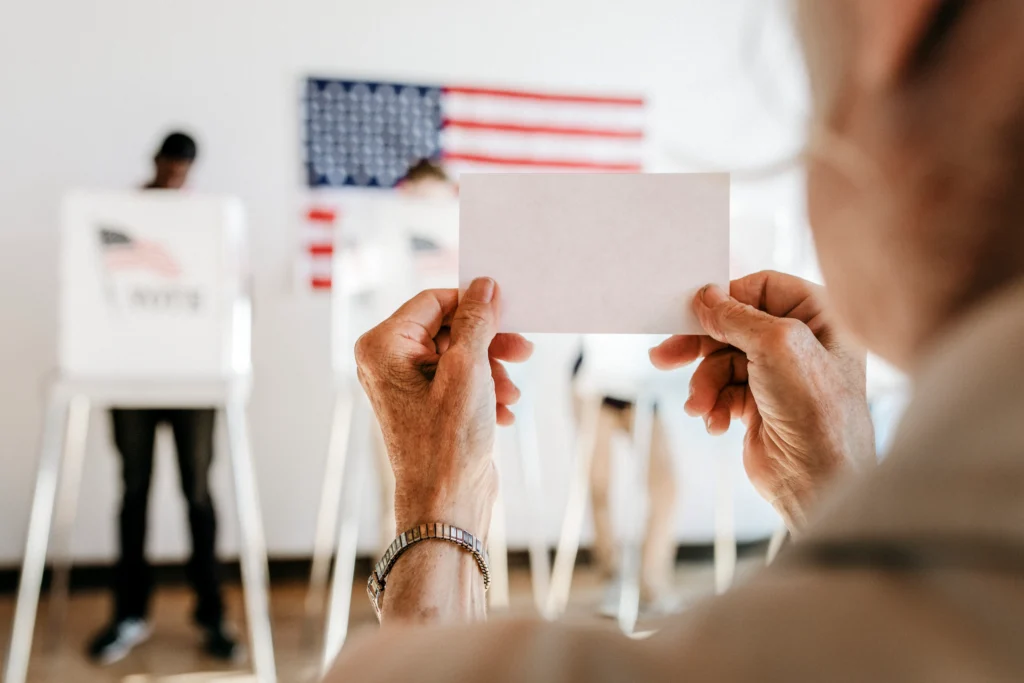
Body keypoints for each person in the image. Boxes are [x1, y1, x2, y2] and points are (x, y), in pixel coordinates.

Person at [328, 0, 1024, 679]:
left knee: (656, 481)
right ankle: (623, 571)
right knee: (607, 483)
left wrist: (436, 507)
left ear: (888, 13)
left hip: (641, 388)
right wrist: (834, 479)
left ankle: (648, 576)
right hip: (600, 384)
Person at [88, 131, 239, 664]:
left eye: (183, 169)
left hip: (193, 377)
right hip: (131, 376)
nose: (175, 176)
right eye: (170, 166)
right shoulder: (122, 218)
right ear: (156, 162)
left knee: (198, 494)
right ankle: (129, 612)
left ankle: (212, 615)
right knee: (134, 492)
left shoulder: (202, 223)